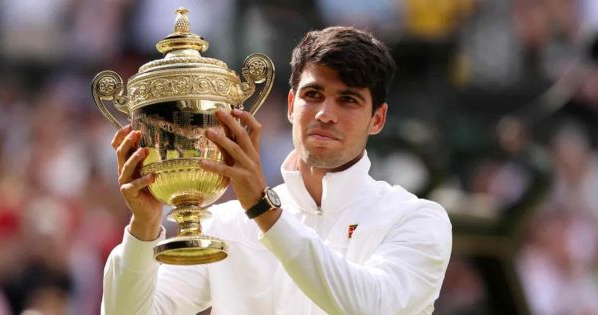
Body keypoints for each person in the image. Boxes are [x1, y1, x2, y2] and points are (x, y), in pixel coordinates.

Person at [101, 26, 452, 315]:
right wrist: (144, 228)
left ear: (378, 119)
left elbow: (373, 307)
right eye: (313, 94)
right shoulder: (225, 224)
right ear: (290, 105)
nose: (325, 114)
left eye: (348, 100)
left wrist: (263, 210)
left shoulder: (416, 219)